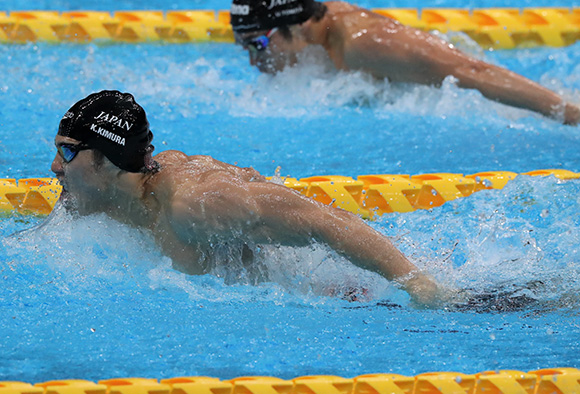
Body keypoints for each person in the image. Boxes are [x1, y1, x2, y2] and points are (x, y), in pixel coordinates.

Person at [50, 90, 439, 306]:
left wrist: (419, 285)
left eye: (67, 152)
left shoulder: (193, 204)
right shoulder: (96, 200)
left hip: (337, 295)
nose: (54, 167)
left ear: (108, 159)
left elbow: (324, 222)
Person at [230, 0, 580, 126]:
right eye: (243, 45)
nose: (253, 60)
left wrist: (570, 113)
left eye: (259, 44)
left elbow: (472, 72)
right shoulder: (315, 30)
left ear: (294, 24)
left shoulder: (364, 44)